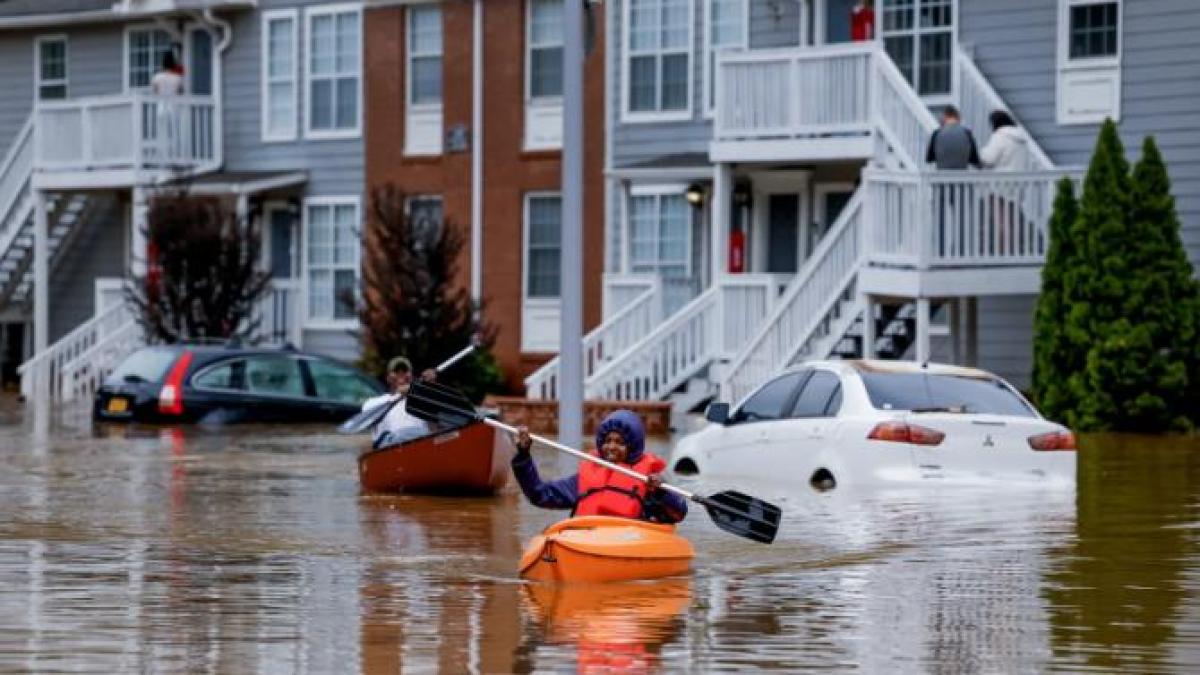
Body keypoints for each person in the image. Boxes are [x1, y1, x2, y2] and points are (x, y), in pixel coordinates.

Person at [511, 410, 687, 523]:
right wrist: (523, 456)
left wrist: (661, 492)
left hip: (631, 543)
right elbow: (539, 494)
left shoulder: (649, 482)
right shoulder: (584, 479)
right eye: (607, 440)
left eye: (619, 442)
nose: (611, 447)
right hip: (588, 542)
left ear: (632, 447)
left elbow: (678, 513)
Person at [979, 110, 1031, 256]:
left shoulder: (1000, 136)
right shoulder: (1021, 139)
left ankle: (1004, 254)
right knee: (1012, 221)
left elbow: (989, 159)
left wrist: (979, 152)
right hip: (1018, 184)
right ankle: (1013, 252)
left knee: (1002, 222)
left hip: (1000, 185)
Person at [363, 356, 438, 448]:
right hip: (389, 447)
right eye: (396, 372)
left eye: (405, 371)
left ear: (412, 376)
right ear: (388, 378)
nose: (401, 374)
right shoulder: (374, 403)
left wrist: (429, 386)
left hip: (419, 444)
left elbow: (434, 431)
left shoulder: (423, 400)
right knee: (400, 435)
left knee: (422, 433)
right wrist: (400, 393)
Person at [925, 105, 981, 170]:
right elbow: (974, 159)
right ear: (958, 118)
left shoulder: (936, 133)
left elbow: (929, 158)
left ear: (945, 117)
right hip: (962, 177)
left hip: (941, 177)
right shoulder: (967, 133)